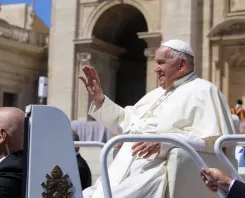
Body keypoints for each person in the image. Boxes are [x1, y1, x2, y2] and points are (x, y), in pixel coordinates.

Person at [80, 39, 236, 197]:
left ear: (181, 65)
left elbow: (214, 142)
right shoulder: (156, 94)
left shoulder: (204, 90)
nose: (155, 69)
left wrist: (166, 141)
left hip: (157, 169)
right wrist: (100, 99)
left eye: (161, 63)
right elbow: (125, 121)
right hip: (122, 167)